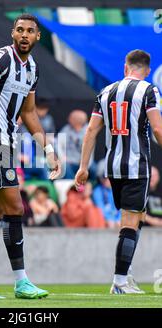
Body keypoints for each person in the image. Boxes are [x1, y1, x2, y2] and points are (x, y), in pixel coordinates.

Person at [0, 14, 61, 300]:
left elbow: (28, 113)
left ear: (37, 36)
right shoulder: (1, 59)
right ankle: (21, 281)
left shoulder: (32, 68)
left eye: (30, 31)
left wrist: (49, 151)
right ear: (12, 33)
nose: (24, 35)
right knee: (16, 207)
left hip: (8, 143)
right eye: (19, 30)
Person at [74, 49, 162, 294]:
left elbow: (91, 131)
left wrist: (83, 167)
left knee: (136, 217)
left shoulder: (105, 92)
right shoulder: (149, 90)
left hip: (113, 168)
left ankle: (127, 273)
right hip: (137, 167)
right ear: (147, 70)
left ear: (126, 68)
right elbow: (157, 129)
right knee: (130, 223)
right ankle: (120, 281)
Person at [58, 109, 96, 179]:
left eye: (70, 117)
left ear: (76, 120)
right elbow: (58, 145)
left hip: (83, 162)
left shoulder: (88, 131)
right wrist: (62, 158)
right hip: (69, 161)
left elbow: (90, 151)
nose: (68, 119)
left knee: (94, 169)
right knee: (64, 167)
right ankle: (73, 185)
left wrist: (84, 164)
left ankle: (90, 186)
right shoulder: (66, 129)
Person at [93, 159, 121, 228]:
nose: (107, 179)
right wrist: (111, 220)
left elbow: (121, 208)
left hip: (118, 222)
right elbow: (101, 209)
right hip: (106, 222)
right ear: (100, 178)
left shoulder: (117, 190)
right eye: (104, 177)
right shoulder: (97, 191)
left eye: (110, 176)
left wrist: (118, 220)